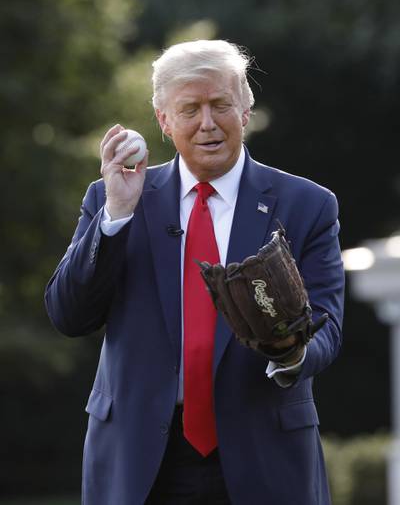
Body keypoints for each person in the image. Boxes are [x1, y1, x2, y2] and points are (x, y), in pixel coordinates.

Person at [45, 39, 345, 505]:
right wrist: (117, 215)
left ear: (245, 109)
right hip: (140, 461)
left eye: (220, 104)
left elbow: (329, 323)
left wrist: (290, 352)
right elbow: (68, 315)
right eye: (190, 109)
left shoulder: (307, 205)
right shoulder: (116, 197)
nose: (208, 123)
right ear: (164, 121)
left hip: (264, 457)